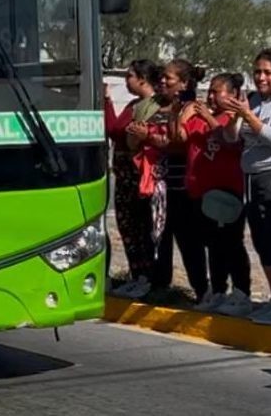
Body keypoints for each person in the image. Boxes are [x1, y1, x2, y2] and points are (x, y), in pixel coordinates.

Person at [220, 48, 271, 327]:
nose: (261, 77)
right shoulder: (253, 100)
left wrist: (249, 116)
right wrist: (235, 116)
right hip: (251, 177)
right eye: (257, 72)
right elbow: (232, 138)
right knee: (260, 239)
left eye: (267, 72)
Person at [173, 72, 250, 315]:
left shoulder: (234, 119)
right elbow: (180, 137)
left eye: (217, 91)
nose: (211, 96)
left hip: (227, 193)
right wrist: (179, 114)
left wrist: (209, 117)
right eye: (210, 91)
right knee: (213, 245)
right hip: (200, 194)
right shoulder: (200, 117)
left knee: (231, 244)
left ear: (232, 95)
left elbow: (230, 142)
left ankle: (242, 292)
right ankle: (218, 290)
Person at [132, 60, 206, 298]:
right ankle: (160, 284)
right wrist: (138, 136)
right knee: (158, 237)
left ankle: (202, 290)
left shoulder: (191, 108)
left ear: (183, 83)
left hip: (181, 186)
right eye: (162, 77)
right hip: (156, 185)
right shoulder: (152, 107)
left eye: (169, 79)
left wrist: (150, 138)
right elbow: (135, 140)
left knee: (189, 242)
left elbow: (179, 144)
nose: (162, 81)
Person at [105, 60, 162, 299]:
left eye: (130, 76)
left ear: (142, 79)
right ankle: (136, 273)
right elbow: (114, 129)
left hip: (140, 176)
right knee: (128, 226)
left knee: (142, 227)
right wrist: (106, 101)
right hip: (124, 176)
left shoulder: (153, 107)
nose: (126, 81)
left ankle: (148, 276)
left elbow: (134, 137)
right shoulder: (133, 105)